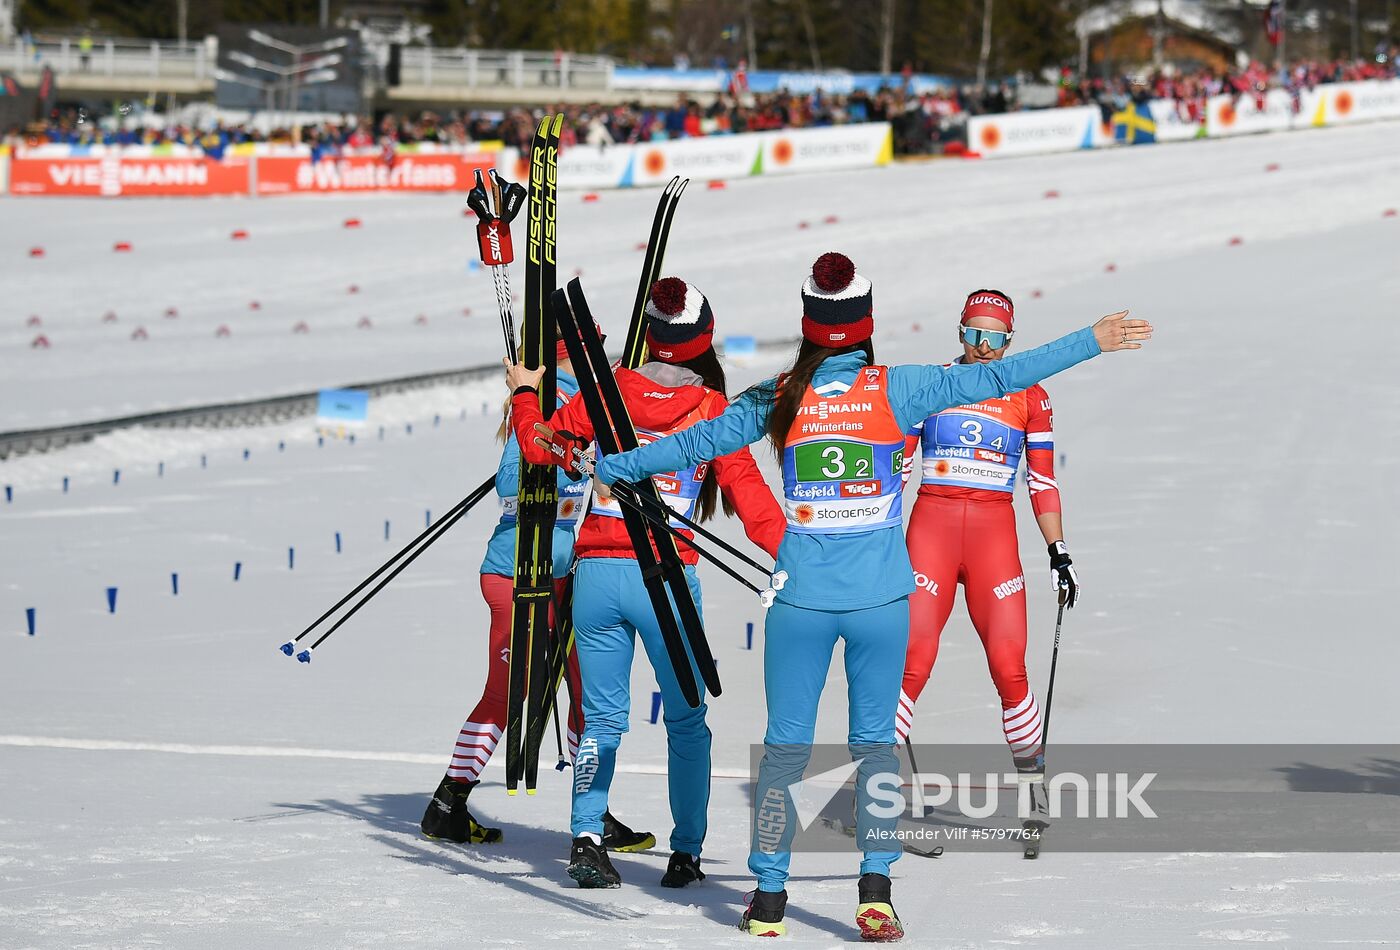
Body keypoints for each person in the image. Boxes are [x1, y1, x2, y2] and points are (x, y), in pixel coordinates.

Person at [591, 252, 1151, 940]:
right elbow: (1002, 377)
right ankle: (876, 894)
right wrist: (1091, 339)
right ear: (866, 323)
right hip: (880, 605)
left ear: (808, 323)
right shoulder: (900, 388)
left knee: (786, 749)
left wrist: (614, 464)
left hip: (800, 604)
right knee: (875, 748)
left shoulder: (778, 396)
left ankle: (768, 899)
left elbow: (693, 443)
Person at [506, 278, 786, 890]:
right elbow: (750, 498)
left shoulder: (608, 393)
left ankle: (586, 835)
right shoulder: (713, 409)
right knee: (686, 721)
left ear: (650, 336)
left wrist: (525, 393)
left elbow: (538, 444)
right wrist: (796, 557)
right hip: (666, 581)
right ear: (704, 339)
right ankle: (686, 852)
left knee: (602, 721)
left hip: (597, 580)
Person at [419, 343, 652, 854]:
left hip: (566, 576)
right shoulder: (549, 406)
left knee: (588, 692)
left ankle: (592, 812)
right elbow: (510, 482)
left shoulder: (579, 404)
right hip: (517, 573)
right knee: (509, 693)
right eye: (592, 350)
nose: (602, 358)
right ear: (569, 358)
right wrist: (570, 457)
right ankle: (448, 803)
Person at [896, 290, 1078, 799]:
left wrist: (1058, 550)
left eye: (996, 338)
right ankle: (873, 790)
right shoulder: (933, 383)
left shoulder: (1031, 395)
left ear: (1010, 341)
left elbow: (1041, 481)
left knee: (1008, 665)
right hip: (930, 532)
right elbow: (900, 469)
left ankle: (1034, 787)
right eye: (975, 334)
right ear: (960, 332)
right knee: (911, 662)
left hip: (993, 540)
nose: (984, 347)